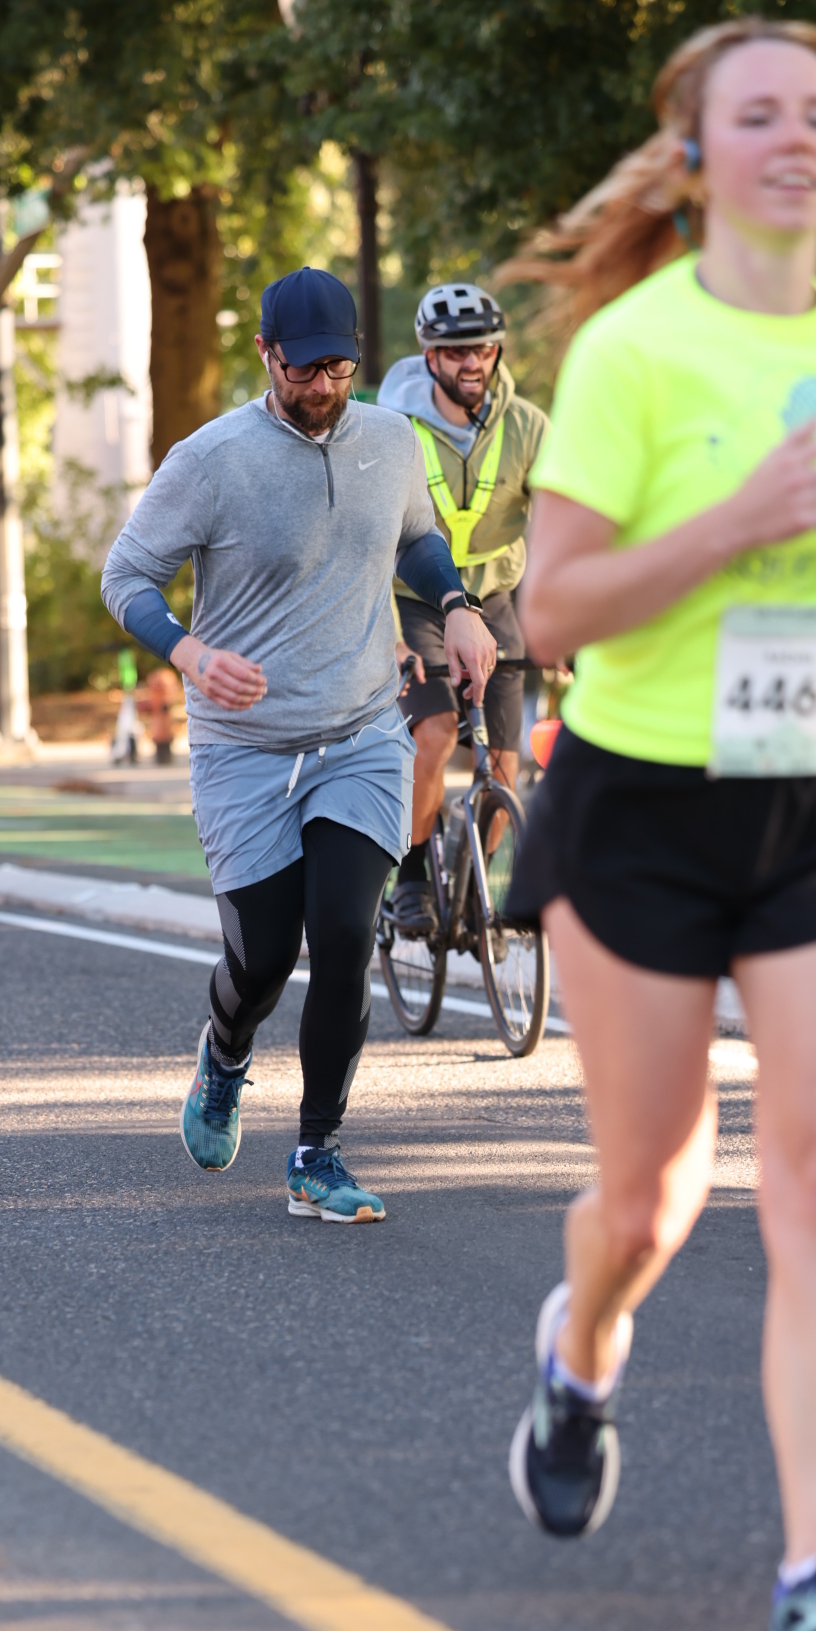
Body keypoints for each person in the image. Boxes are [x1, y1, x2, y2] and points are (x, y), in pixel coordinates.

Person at [502, 20, 816, 1631]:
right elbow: (552, 613)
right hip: (644, 801)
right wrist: (739, 520)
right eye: (758, 113)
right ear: (694, 158)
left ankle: (815, 1583)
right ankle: (583, 1350)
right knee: (650, 1195)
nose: (796, 137)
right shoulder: (636, 353)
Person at [102, 265, 497, 1224]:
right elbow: (126, 576)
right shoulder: (210, 459)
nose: (322, 388)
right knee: (265, 958)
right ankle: (225, 1054)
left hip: (360, 733)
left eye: (338, 369)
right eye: (303, 370)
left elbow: (414, 536)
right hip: (244, 749)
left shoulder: (391, 440)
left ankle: (317, 1151)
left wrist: (456, 602)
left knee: (347, 934)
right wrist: (190, 653)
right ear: (265, 355)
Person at [378, 284, 549, 932]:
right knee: (438, 730)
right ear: (429, 357)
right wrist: (391, 636)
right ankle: (413, 876)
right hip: (414, 600)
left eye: (482, 349)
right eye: (455, 352)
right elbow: (373, 536)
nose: (471, 362)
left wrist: (561, 627)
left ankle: (475, 887)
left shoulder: (528, 426)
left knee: (504, 759)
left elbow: (558, 526)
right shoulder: (392, 428)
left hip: (495, 597)